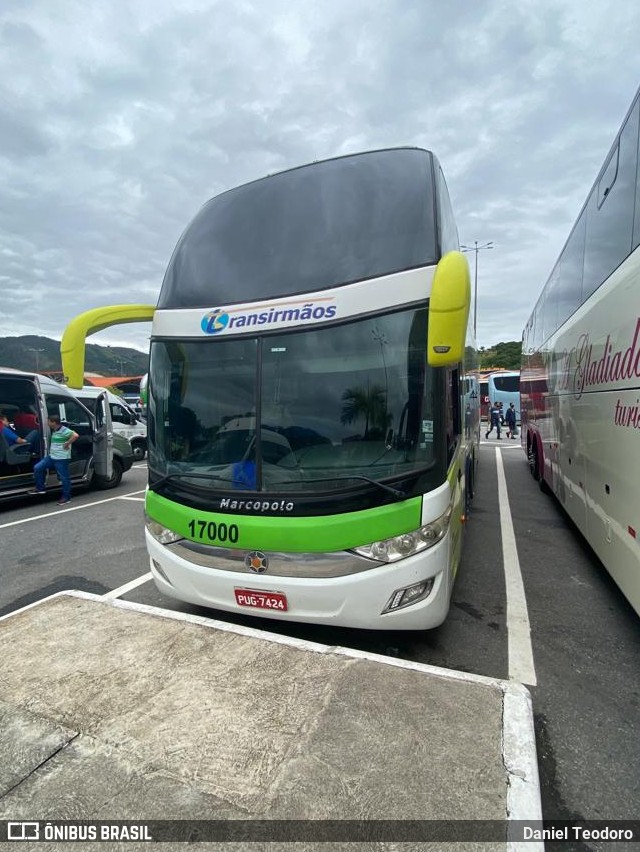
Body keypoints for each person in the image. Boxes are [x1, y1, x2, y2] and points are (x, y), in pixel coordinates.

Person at [30, 415, 79, 505]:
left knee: (64, 478)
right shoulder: (55, 430)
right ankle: (40, 488)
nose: (47, 423)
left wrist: (67, 443)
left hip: (62, 458)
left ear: (54, 422)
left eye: (48, 421)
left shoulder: (64, 430)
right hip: (52, 457)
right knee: (37, 468)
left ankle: (66, 497)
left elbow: (75, 435)